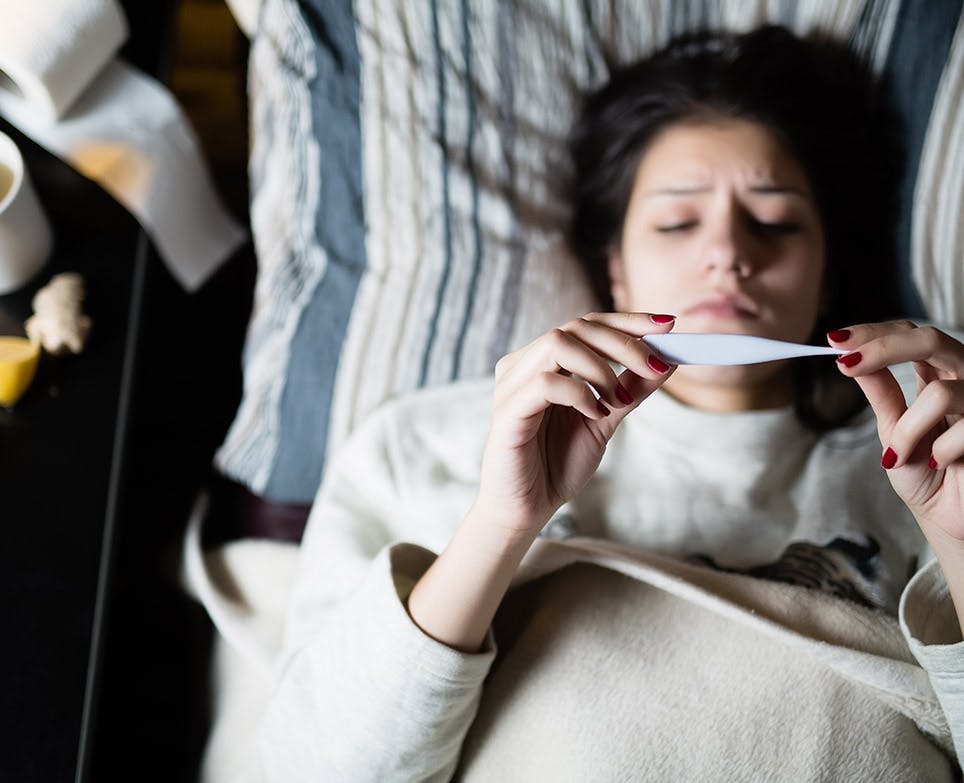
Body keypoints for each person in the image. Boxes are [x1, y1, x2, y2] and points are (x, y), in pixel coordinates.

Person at [259, 26, 964, 781]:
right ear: (616, 272)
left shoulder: (937, 448)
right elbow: (315, 766)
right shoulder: (423, 444)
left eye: (774, 221)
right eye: (676, 221)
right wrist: (501, 524)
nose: (728, 250)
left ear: (827, 276)